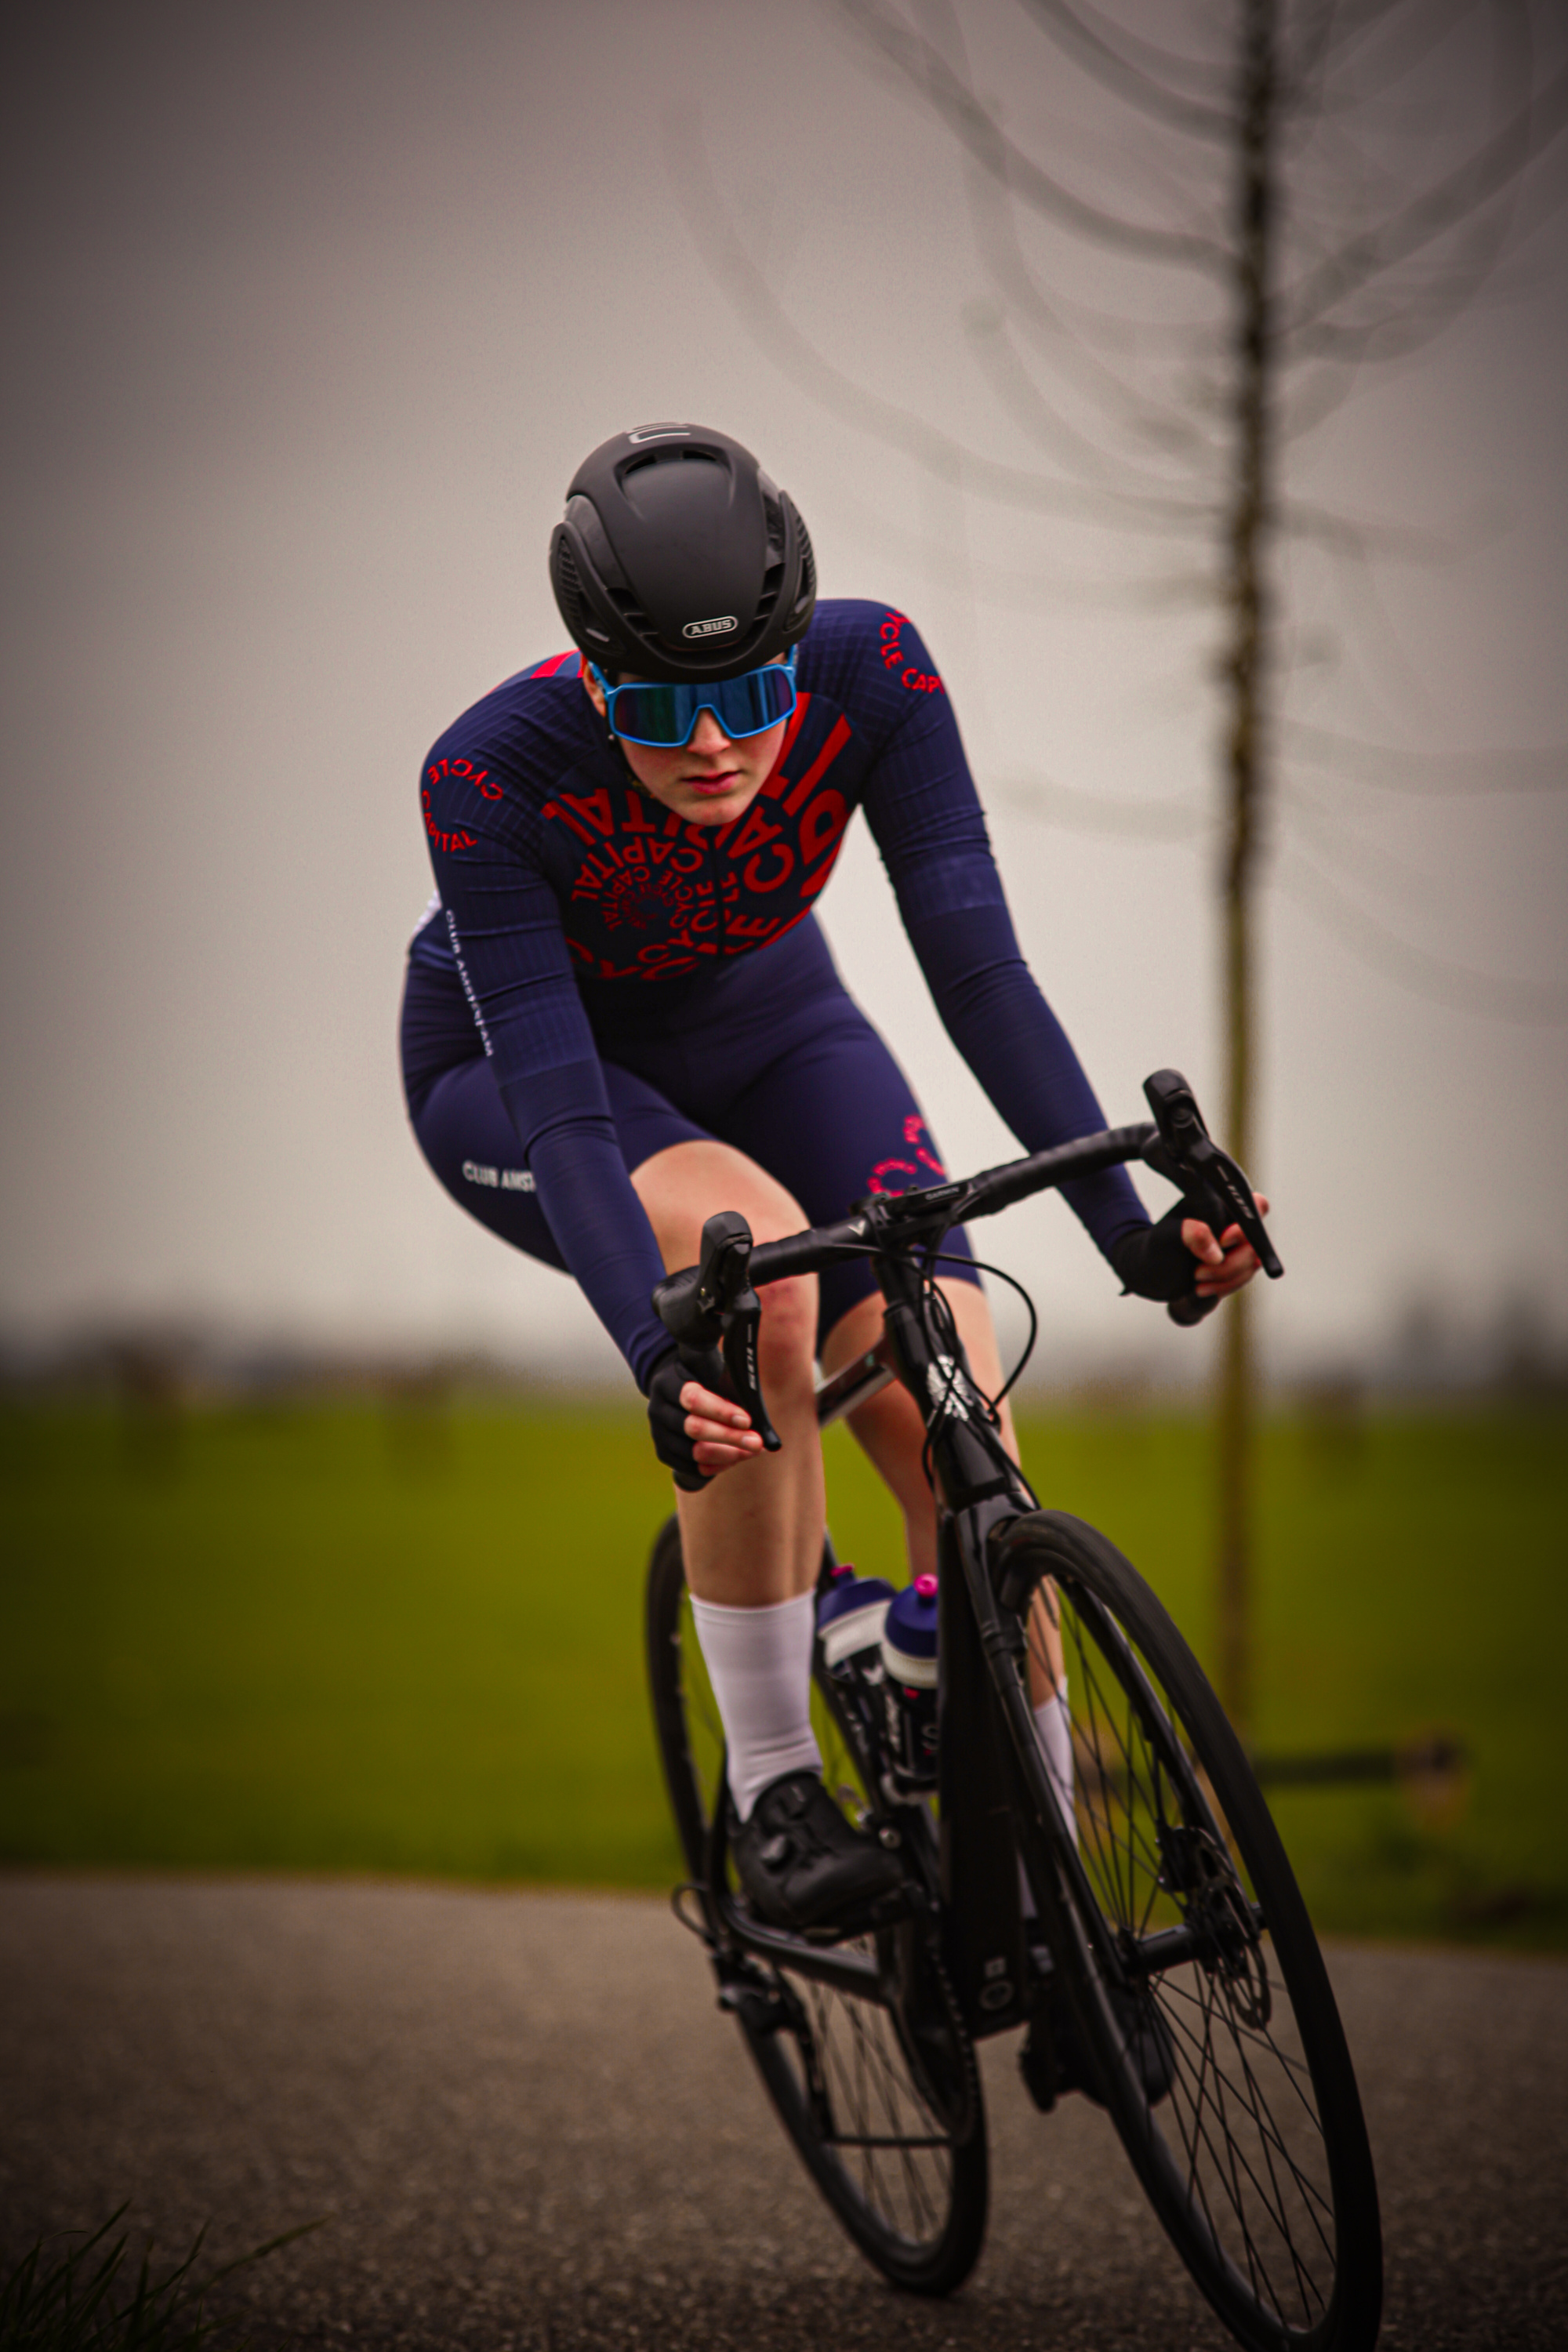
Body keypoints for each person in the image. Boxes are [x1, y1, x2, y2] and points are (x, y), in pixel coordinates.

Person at [401, 421, 1265, 1936]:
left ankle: (1053, 1884)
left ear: (802, 645)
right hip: (534, 1081)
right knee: (768, 1286)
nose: (719, 744)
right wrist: (653, 1350)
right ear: (590, 678)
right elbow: (568, 1127)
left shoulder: (881, 673)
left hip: (779, 1026)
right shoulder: (490, 773)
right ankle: (777, 1787)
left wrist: (1129, 1225)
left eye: (751, 692)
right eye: (664, 709)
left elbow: (979, 973)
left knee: (966, 1416)